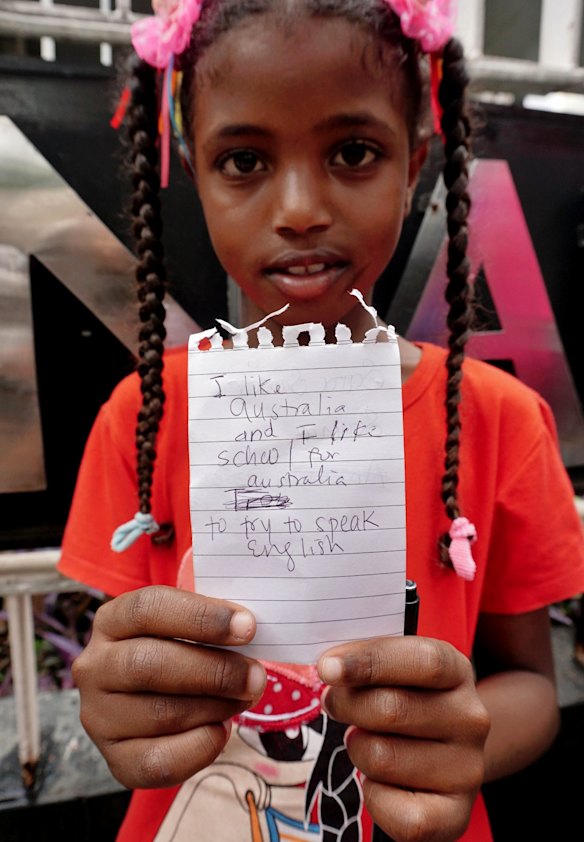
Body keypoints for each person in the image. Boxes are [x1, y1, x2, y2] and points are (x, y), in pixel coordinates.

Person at [57, 0, 584, 840]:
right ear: (195, 174)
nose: (300, 207)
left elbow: (532, 687)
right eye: (244, 161)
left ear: (414, 166)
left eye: (352, 153)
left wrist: (459, 744)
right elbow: (116, 668)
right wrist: (118, 703)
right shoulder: (141, 419)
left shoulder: (501, 422)